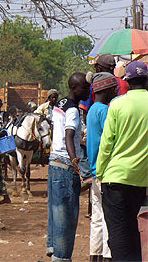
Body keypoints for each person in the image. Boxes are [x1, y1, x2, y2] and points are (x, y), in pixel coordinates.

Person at [96, 61, 148, 261]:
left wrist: (99, 172)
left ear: (127, 81)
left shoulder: (118, 104)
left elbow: (107, 142)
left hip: (115, 178)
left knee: (118, 233)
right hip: (139, 180)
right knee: (131, 228)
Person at [46, 73, 90, 260]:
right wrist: (75, 162)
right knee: (67, 218)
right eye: (84, 88)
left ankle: (52, 246)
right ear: (74, 88)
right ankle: (62, 257)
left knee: (55, 212)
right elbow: (69, 136)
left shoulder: (61, 103)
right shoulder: (72, 110)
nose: (88, 91)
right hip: (65, 166)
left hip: (54, 163)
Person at [85, 72, 118, 262]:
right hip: (105, 169)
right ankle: (107, 256)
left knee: (97, 218)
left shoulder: (92, 110)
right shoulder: (104, 111)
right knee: (108, 217)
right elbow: (111, 138)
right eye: (113, 88)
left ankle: (95, 255)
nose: (115, 91)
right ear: (106, 90)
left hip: (94, 169)